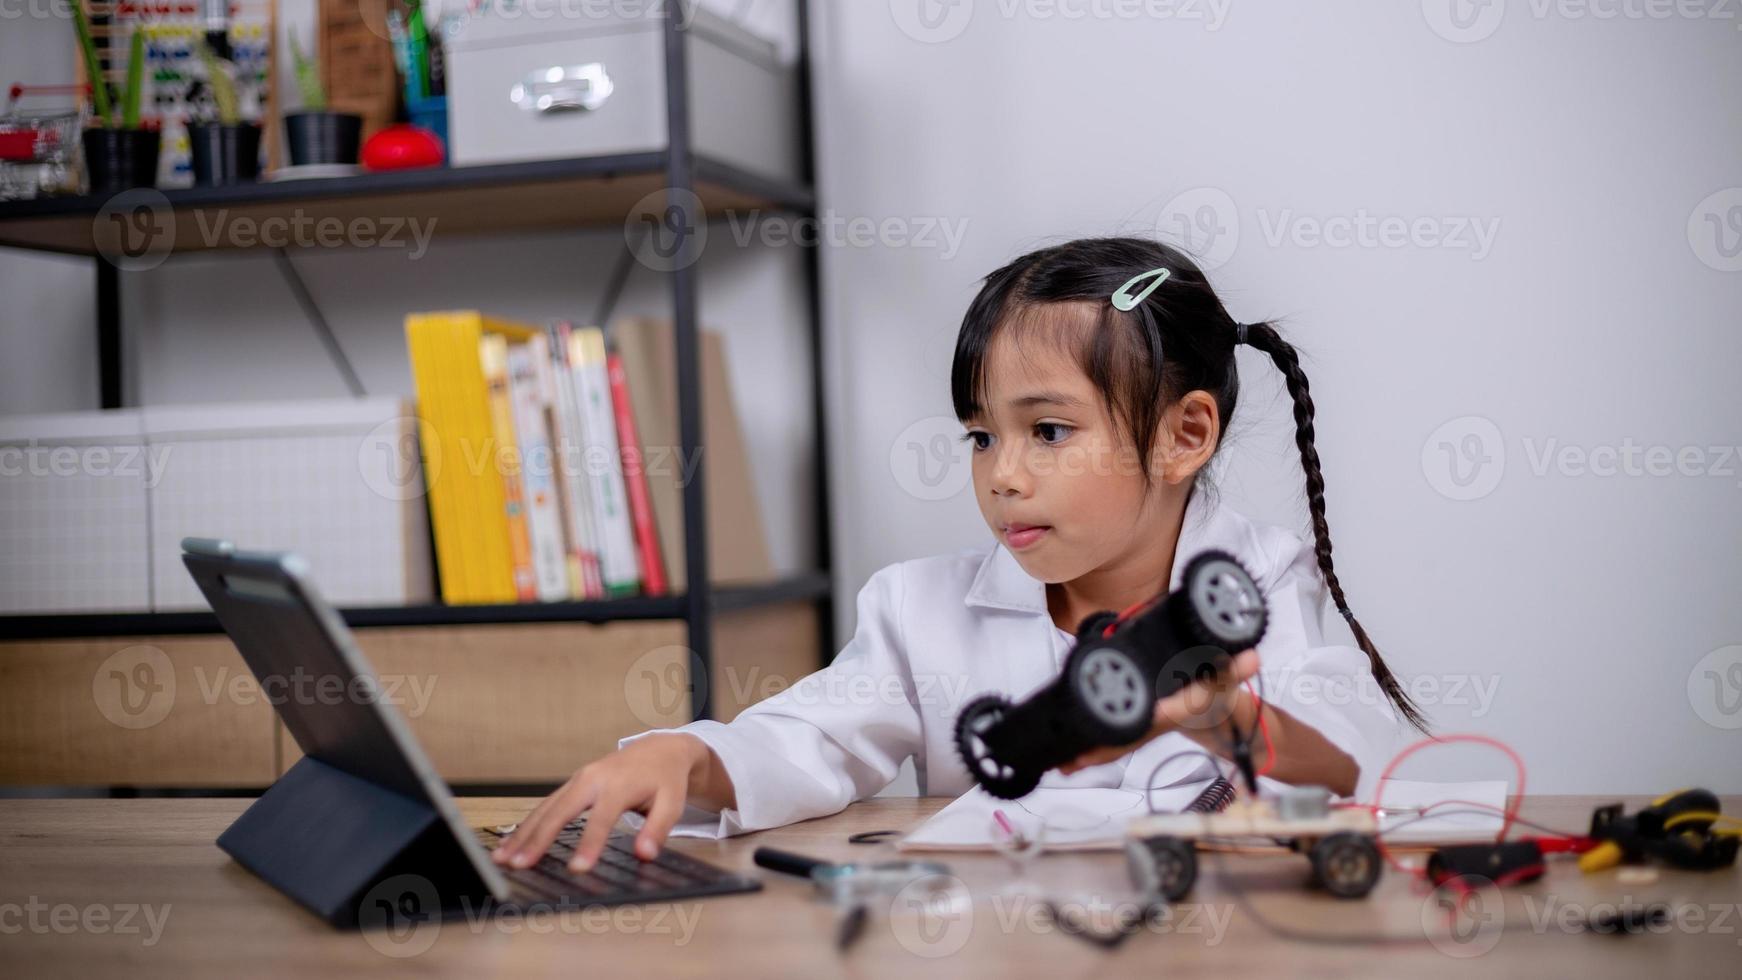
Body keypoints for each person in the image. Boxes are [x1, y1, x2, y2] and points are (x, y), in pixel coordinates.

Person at [495, 237, 1423, 875]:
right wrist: (685, 754)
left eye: (1047, 431)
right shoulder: (916, 610)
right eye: (981, 438)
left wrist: (1225, 718)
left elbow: (1342, 761)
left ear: (1184, 436)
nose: (1003, 477)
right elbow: (809, 738)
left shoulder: (1256, 581)